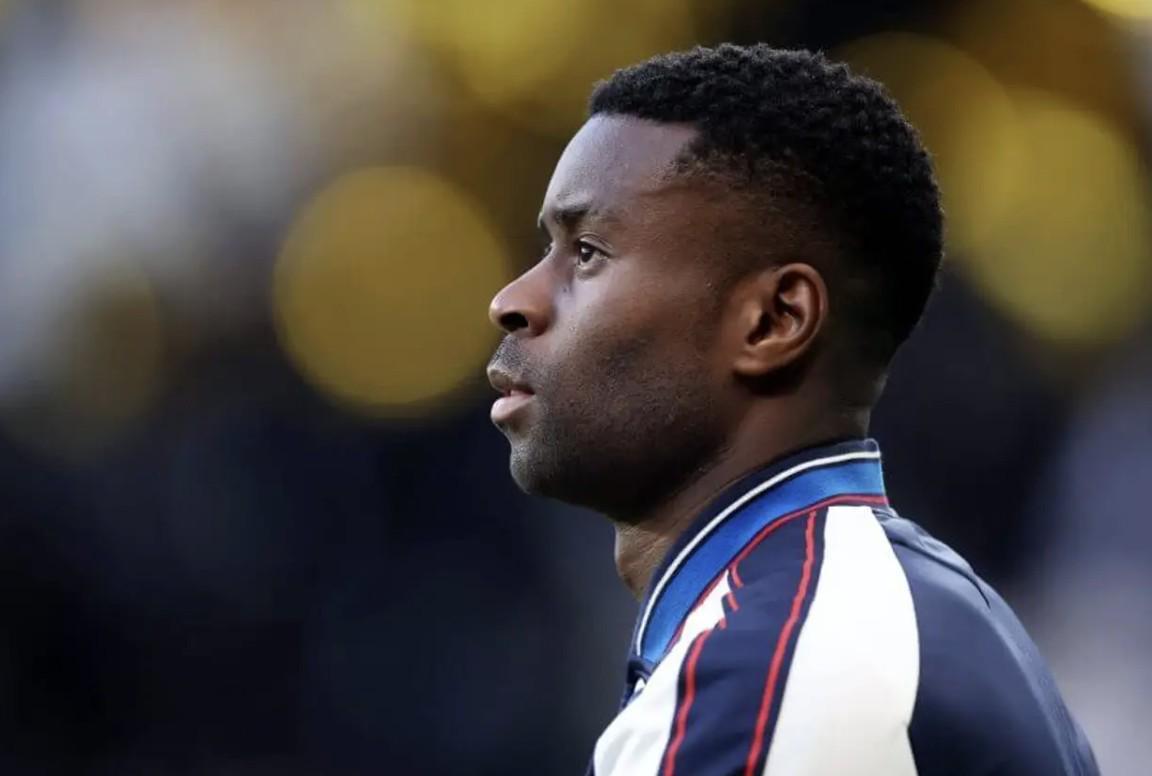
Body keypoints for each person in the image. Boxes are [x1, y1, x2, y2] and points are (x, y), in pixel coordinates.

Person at [485, 44, 1098, 776]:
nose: (512, 300)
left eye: (586, 252)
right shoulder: (911, 609)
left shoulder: (775, 677)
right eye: (546, 249)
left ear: (775, 321)